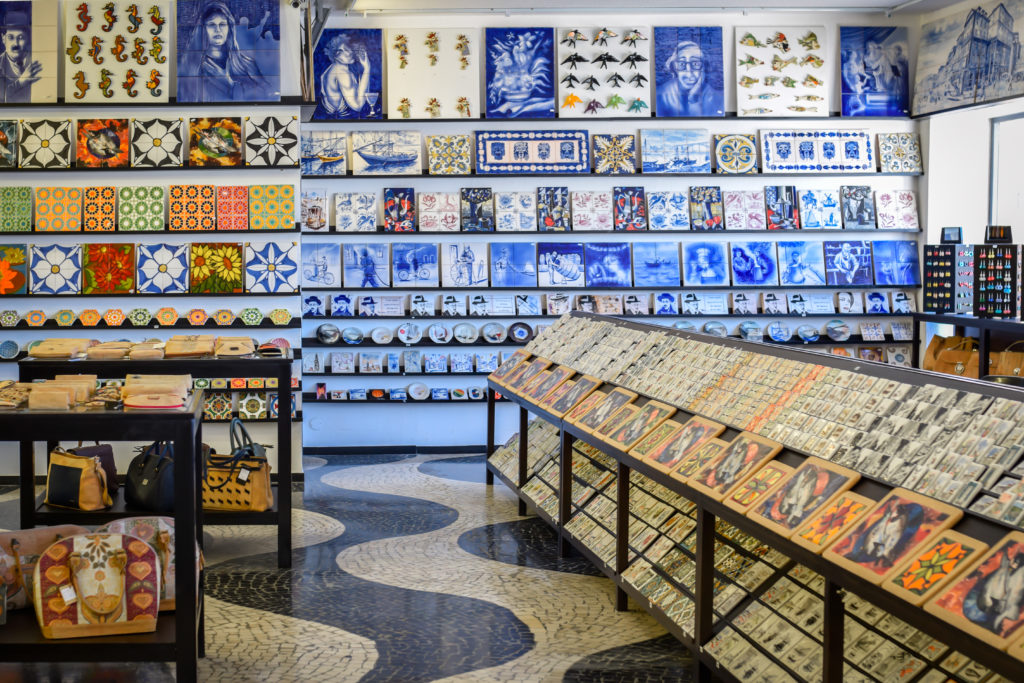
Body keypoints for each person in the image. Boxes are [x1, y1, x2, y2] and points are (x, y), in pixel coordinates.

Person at [179, 2, 273, 102]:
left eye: (222, 24)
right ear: (203, 29)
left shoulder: (247, 64)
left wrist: (227, 83)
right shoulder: (192, 67)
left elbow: (269, 95)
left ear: (230, 28)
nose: (217, 30)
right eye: (211, 25)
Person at [656, 39, 719, 116]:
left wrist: (693, 99)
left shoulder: (715, 97)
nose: (689, 73)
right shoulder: (661, 95)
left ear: (704, 67)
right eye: (681, 64)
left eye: (695, 63)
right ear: (674, 67)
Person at [318, 31, 371, 118]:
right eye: (342, 51)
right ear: (336, 55)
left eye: (348, 48)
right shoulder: (342, 73)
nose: (349, 53)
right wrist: (367, 68)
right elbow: (358, 105)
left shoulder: (331, 69)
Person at [0, 14, 40, 103]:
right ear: (3, 39)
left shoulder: (37, 61)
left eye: (21, 37)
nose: (16, 44)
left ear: (28, 39)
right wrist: (21, 82)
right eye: (10, 37)